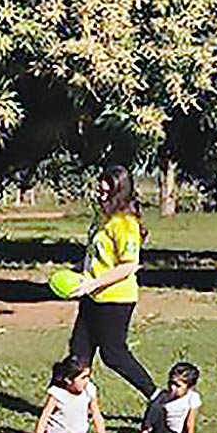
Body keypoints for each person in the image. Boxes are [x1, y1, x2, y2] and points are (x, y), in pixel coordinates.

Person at [67, 165, 157, 401]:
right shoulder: (102, 220)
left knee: (113, 354)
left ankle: (156, 396)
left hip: (116, 299)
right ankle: (72, 408)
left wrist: (93, 283)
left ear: (120, 193)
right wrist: (80, 273)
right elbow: (98, 256)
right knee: (78, 354)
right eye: (100, 187)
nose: (100, 192)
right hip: (92, 297)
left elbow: (129, 265)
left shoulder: (126, 224)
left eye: (107, 190)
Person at [32, 356, 118, 433]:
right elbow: (43, 419)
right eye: (83, 377)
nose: (86, 381)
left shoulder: (89, 390)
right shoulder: (58, 394)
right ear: (69, 380)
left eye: (88, 377)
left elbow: (96, 415)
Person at [139, 362, 203, 433]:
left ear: (190, 387)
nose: (173, 388)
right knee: (156, 404)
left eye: (178, 386)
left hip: (175, 431)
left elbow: (190, 421)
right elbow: (153, 412)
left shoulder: (192, 398)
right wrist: (146, 429)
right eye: (171, 383)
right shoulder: (165, 396)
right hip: (161, 427)